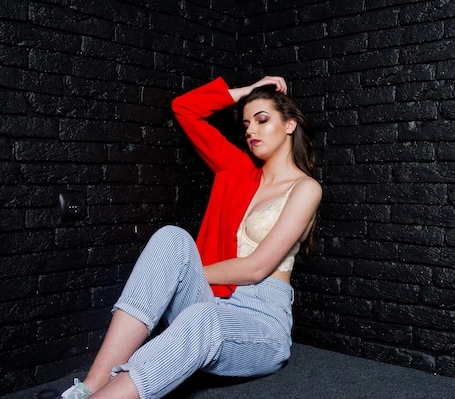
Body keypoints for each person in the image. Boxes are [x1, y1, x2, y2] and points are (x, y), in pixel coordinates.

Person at [60, 75, 322, 399]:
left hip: (261, 321)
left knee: (202, 316)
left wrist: (181, 273)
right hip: (212, 298)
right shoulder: (236, 171)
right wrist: (244, 92)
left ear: (289, 125)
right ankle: (93, 384)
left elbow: (256, 268)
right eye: (246, 123)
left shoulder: (306, 188)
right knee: (172, 237)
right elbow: (184, 109)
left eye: (262, 119)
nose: (250, 130)